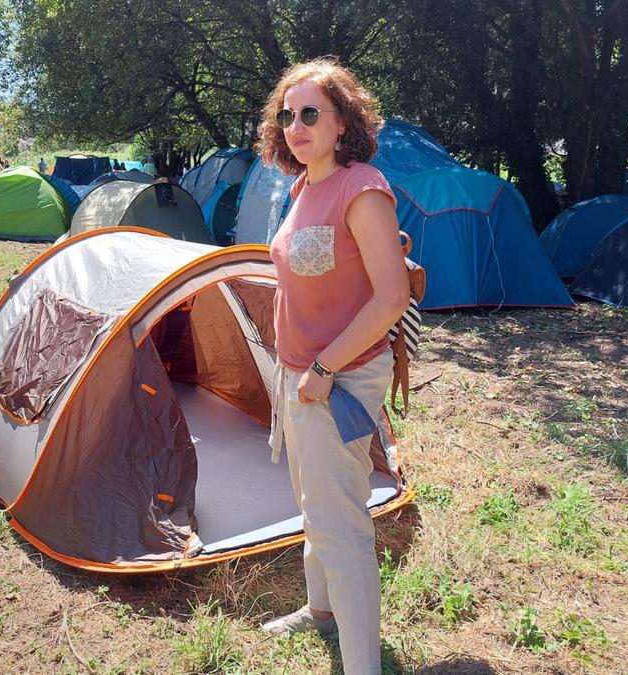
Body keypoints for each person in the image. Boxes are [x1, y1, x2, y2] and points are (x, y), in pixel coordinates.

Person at [256, 58, 408, 675]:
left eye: (311, 113)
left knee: (341, 527)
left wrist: (322, 369)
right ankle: (320, 611)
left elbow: (391, 297)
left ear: (343, 121)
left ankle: (362, 666)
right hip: (298, 373)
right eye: (287, 115)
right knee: (312, 504)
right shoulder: (302, 188)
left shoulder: (361, 187)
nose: (296, 125)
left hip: (336, 380)